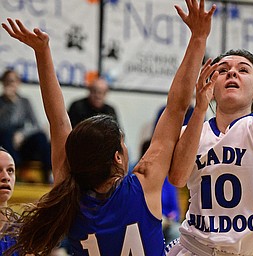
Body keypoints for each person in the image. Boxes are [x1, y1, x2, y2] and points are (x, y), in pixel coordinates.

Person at [1, 0, 217, 254]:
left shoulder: (70, 197)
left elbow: (58, 121)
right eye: (123, 144)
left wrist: (42, 52)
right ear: (117, 156)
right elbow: (177, 107)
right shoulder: (143, 184)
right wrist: (199, 38)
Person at [166, 0, 253, 255]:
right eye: (223, 70)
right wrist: (199, 108)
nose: (232, 73)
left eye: (243, 70)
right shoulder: (193, 130)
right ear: (212, 85)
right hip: (193, 248)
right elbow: (177, 178)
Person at [0, 69, 52, 183]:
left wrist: (22, 134)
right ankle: (15, 169)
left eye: (13, 81)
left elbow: (35, 124)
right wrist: (9, 106)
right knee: (7, 133)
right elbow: (3, 125)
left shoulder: (24, 102)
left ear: (18, 83)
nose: (10, 84)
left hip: (22, 139)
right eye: (7, 81)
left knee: (41, 136)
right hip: (5, 140)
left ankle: (48, 172)